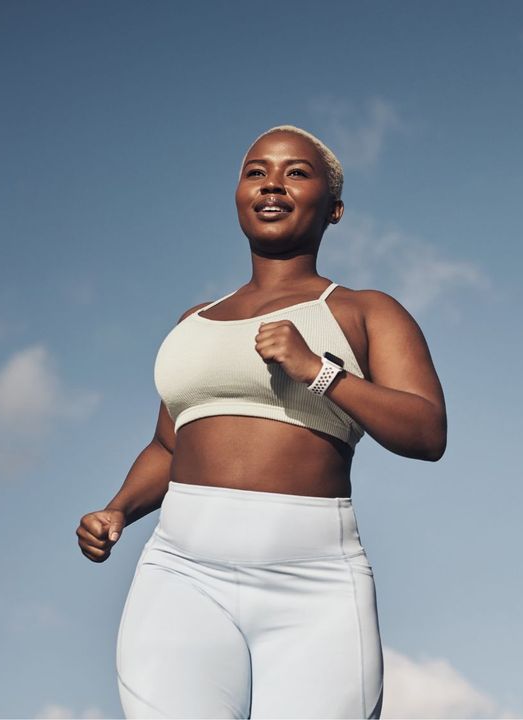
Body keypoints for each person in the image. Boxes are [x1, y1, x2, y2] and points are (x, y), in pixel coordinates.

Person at [76, 125, 446, 718]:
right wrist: (117, 508)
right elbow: (167, 448)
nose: (272, 182)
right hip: (180, 571)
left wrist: (317, 371)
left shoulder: (364, 311)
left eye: (297, 172)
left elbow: (427, 434)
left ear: (335, 209)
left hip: (315, 580)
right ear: (239, 196)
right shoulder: (193, 321)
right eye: (256, 171)